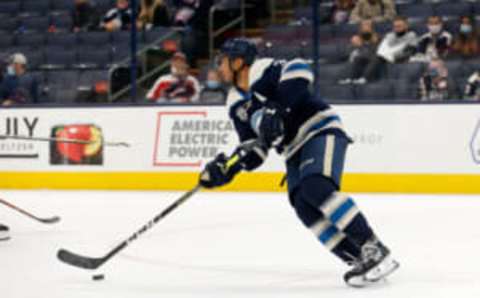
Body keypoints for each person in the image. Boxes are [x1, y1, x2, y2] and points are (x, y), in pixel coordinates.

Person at [199, 38, 400, 287]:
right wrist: (229, 168)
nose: (219, 67)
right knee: (304, 205)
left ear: (239, 62)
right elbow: (255, 149)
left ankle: (373, 246)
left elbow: (300, 69)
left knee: (316, 186)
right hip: (293, 149)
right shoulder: (235, 103)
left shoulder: (262, 69)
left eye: (223, 61)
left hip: (319, 129)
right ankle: (358, 258)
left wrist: (278, 108)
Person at [353, 16, 417, 84]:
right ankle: (353, 80)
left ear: (406, 26)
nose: (397, 28)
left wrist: (397, 56)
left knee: (378, 57)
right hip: (385, 55)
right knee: (359, 58)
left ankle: (364, 79)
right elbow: (381, 47)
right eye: (395, 26)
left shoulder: (411, 35)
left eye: (399, 26)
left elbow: (411, 50)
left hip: (397, 57)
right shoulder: (390, 35)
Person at [339, 19, 380, 84]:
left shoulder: (376, 38)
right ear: (360, 28)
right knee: (355, 57)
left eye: (368, 26)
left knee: (375, 58)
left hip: (371, 59)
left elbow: (376, 52)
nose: (366, 28)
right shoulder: (356, 39)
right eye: (364, 26)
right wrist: (354, 46)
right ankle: (349, 79)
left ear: (372, 28)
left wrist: (362, 46)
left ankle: (363, 78)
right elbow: (347, 54)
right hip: (358, 59)